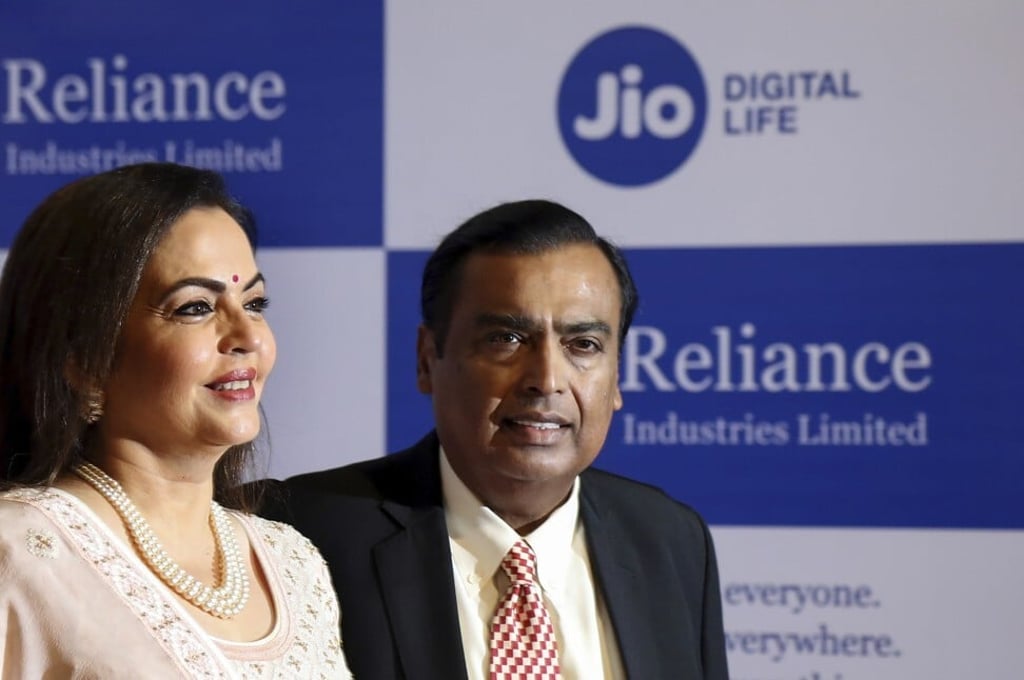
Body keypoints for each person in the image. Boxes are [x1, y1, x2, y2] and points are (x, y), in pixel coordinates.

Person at [259, 199, 728, 679]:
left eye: (583, 345)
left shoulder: (670, 540)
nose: (546, 380)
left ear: (617, 376)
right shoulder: (298, 533)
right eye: (507, 339)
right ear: (426, 360)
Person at [0, 163, 352, 678]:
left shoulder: (292, 563)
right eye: (194, 308)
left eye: (254, 303)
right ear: (84, 359)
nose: (247, 337)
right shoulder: (20, 551)